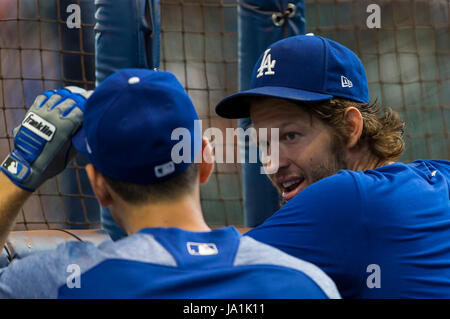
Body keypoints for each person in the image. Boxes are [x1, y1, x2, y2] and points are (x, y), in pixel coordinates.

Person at [0, 68, 340, 299]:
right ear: (206, 161)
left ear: (99, 186)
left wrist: (19, 170)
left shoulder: (62, 281)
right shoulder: (307, 282)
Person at [215, 34, 450, 298]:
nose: (272, 164)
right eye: (264, 142)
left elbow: (199, 273)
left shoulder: (345, 197)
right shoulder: (441, 175)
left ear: (350, 127)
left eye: (290, 136)